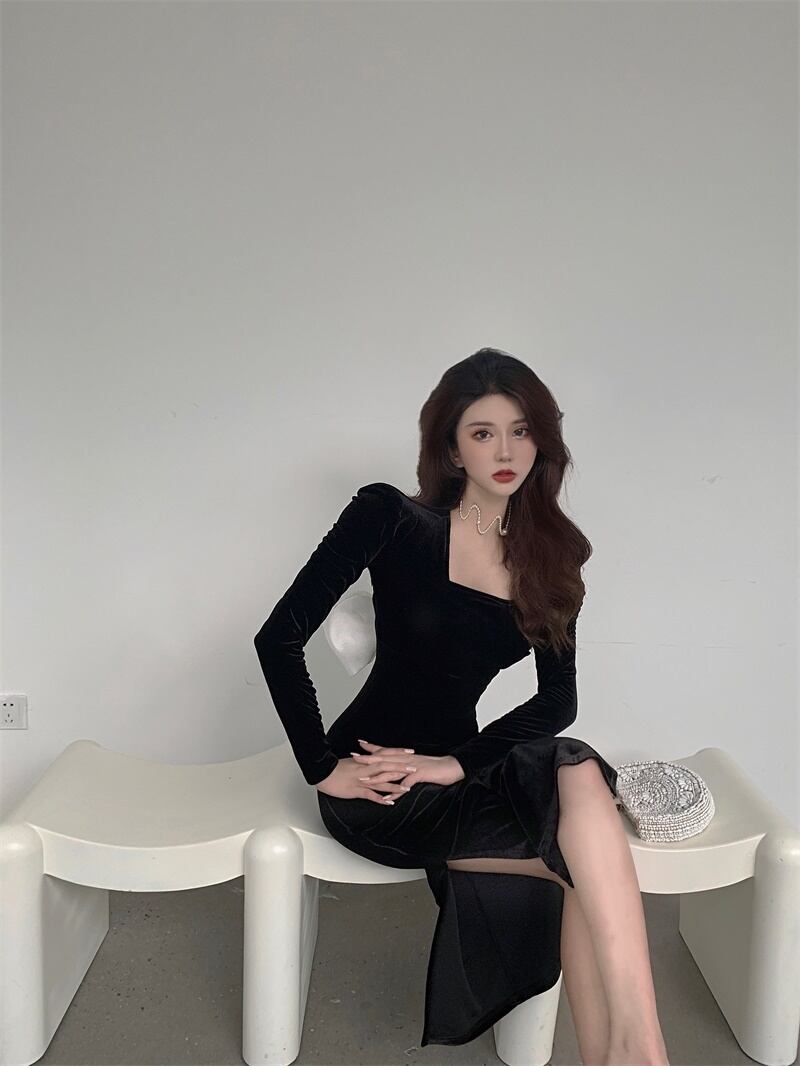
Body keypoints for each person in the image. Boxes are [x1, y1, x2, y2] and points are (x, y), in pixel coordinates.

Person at [254, 347, 669, 1066]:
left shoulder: (551, 561)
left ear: (541, 441)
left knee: (573, 771)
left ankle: (634, 1050)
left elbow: (558, 700)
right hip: (381, 785)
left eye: (520, 430)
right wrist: (322, 765)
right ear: (451, 447)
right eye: (483, 433)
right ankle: (637, 1054)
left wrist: (454, 763)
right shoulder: (391, 517)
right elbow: (279, 637)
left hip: (462, 772)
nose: (504, 451)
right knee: (581, 851)